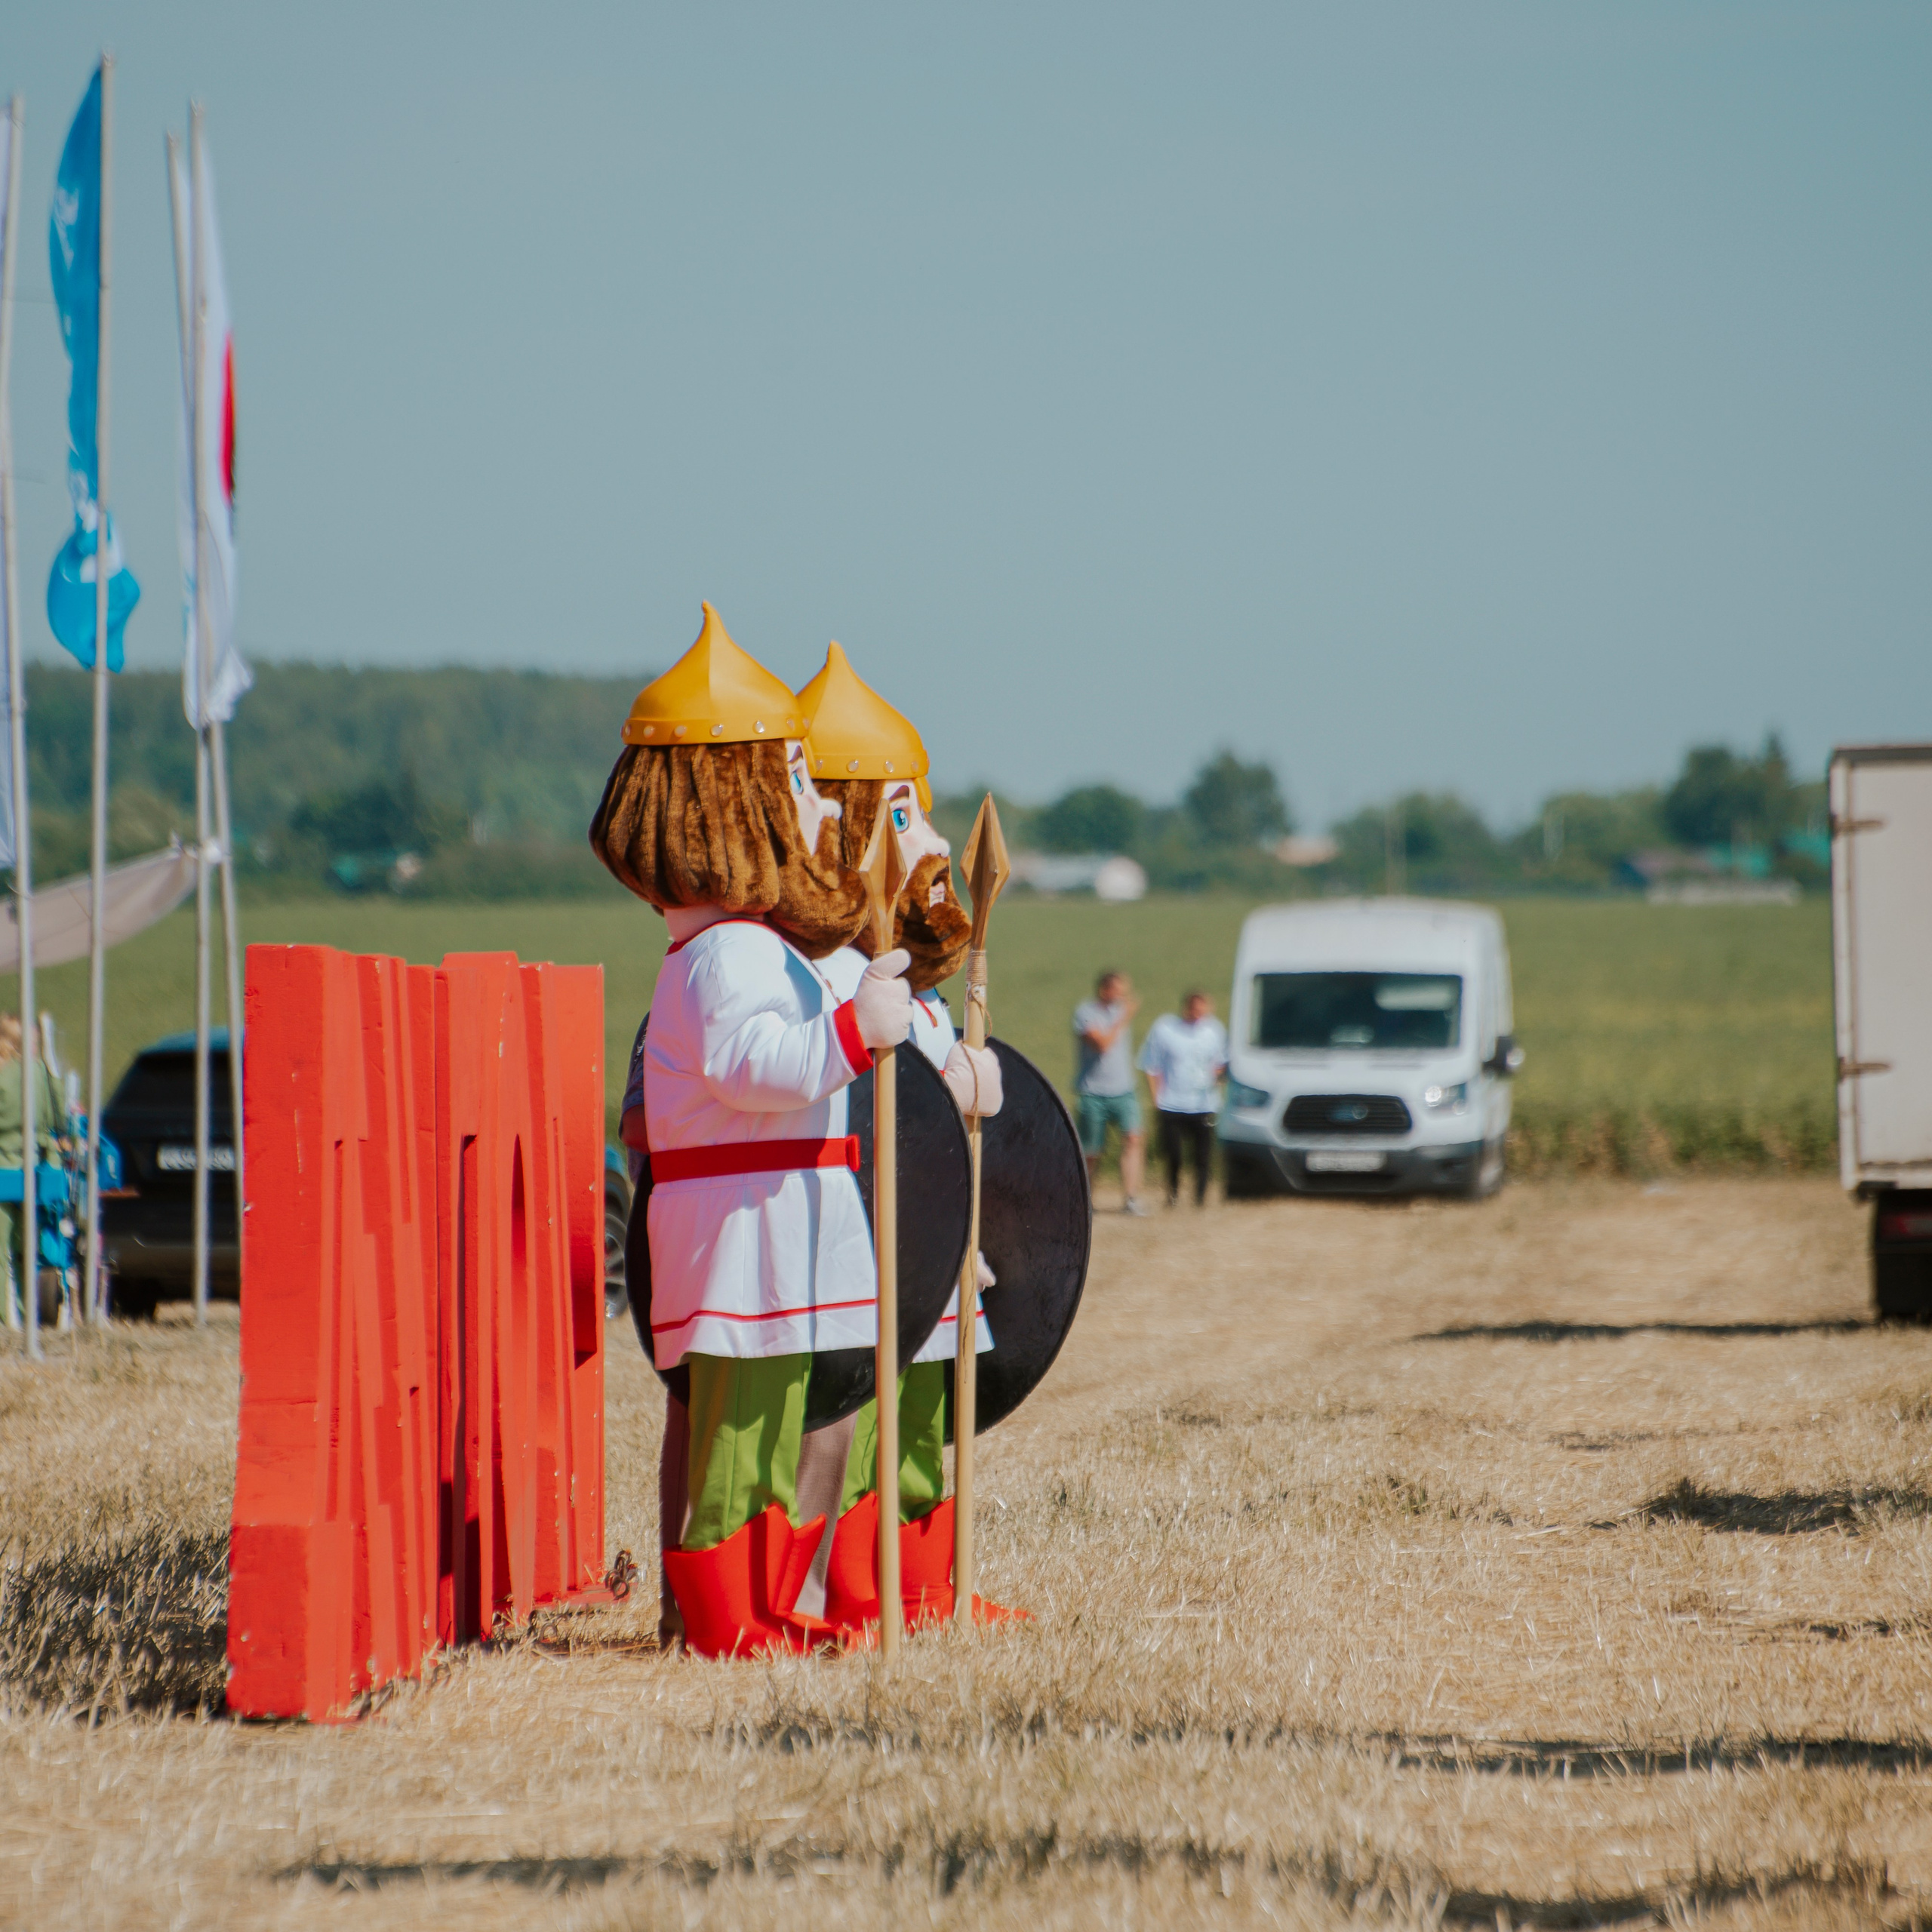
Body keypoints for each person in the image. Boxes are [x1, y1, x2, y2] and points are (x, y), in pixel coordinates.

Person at [588, 601, 908, 1657]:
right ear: (737, 798)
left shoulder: (749, 947)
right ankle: (728, 1619)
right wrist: (858, 1032)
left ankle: (772, 1605)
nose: (816, 802)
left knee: (782, 1417)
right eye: (799, 781)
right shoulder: (726, 955)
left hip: (785, 1220)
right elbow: (754, 1068)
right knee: (743, 1432)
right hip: (745, 1230)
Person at [795, 641, 1004, 1626]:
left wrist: (970, 1077)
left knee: (923, 1419)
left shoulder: (904, 984)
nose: (929, 841)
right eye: (907, 813)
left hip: (932, 1229)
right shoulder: (823, 974)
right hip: (859, 1242)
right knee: (860, 1420)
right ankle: (850, 1591)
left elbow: (925, 1082)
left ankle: (924, 1589)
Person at [1137, 989, 1229, 1208]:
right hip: (1172, 1102)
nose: (1198, 1013)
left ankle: (1200, 1198)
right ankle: (1173, 1192)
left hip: (1204, 1104)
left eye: (1203, 1008)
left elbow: (1225, 1062)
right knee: (1173, 1154)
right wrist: (1155, 1098)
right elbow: (1151, 1065)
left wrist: (1218, 1077)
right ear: (1186, 1007)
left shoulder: (1214, 1030)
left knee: (1203, 1156)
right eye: (1195, 1008)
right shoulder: (1165, 1029)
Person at [0, 1014, 60, 1324]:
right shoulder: (40, 1072)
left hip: (1, 1167)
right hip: (36, 1170)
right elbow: (59, 1117)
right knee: (30, 1250)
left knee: (1, 1251)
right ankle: (29, 1314)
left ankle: (3, 1319)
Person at [1072, 970, 1146, 1214]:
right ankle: (1086, 1200)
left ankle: (1131, 1199)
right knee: (1092, 1150)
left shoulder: (1119, 1010)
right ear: (1105, 989)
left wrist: (1122, 1014)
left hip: (1124, 1089)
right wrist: (1124, 1018)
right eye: (1118, 990)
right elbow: (1102, 1044)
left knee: (1134, 1139)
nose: (1122, 996)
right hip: (1093, 1091)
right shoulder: (1085, 1013)